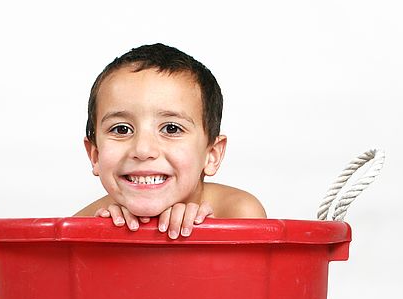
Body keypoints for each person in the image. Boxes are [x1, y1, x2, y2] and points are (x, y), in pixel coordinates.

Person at [75, 43, 266, 238]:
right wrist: (103, 242)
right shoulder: (81, 226)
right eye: (121, 129)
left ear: (211, 155)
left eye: (171, 128)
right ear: (95, 155)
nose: (142, 149)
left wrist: (203, 234)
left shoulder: (237, 214)